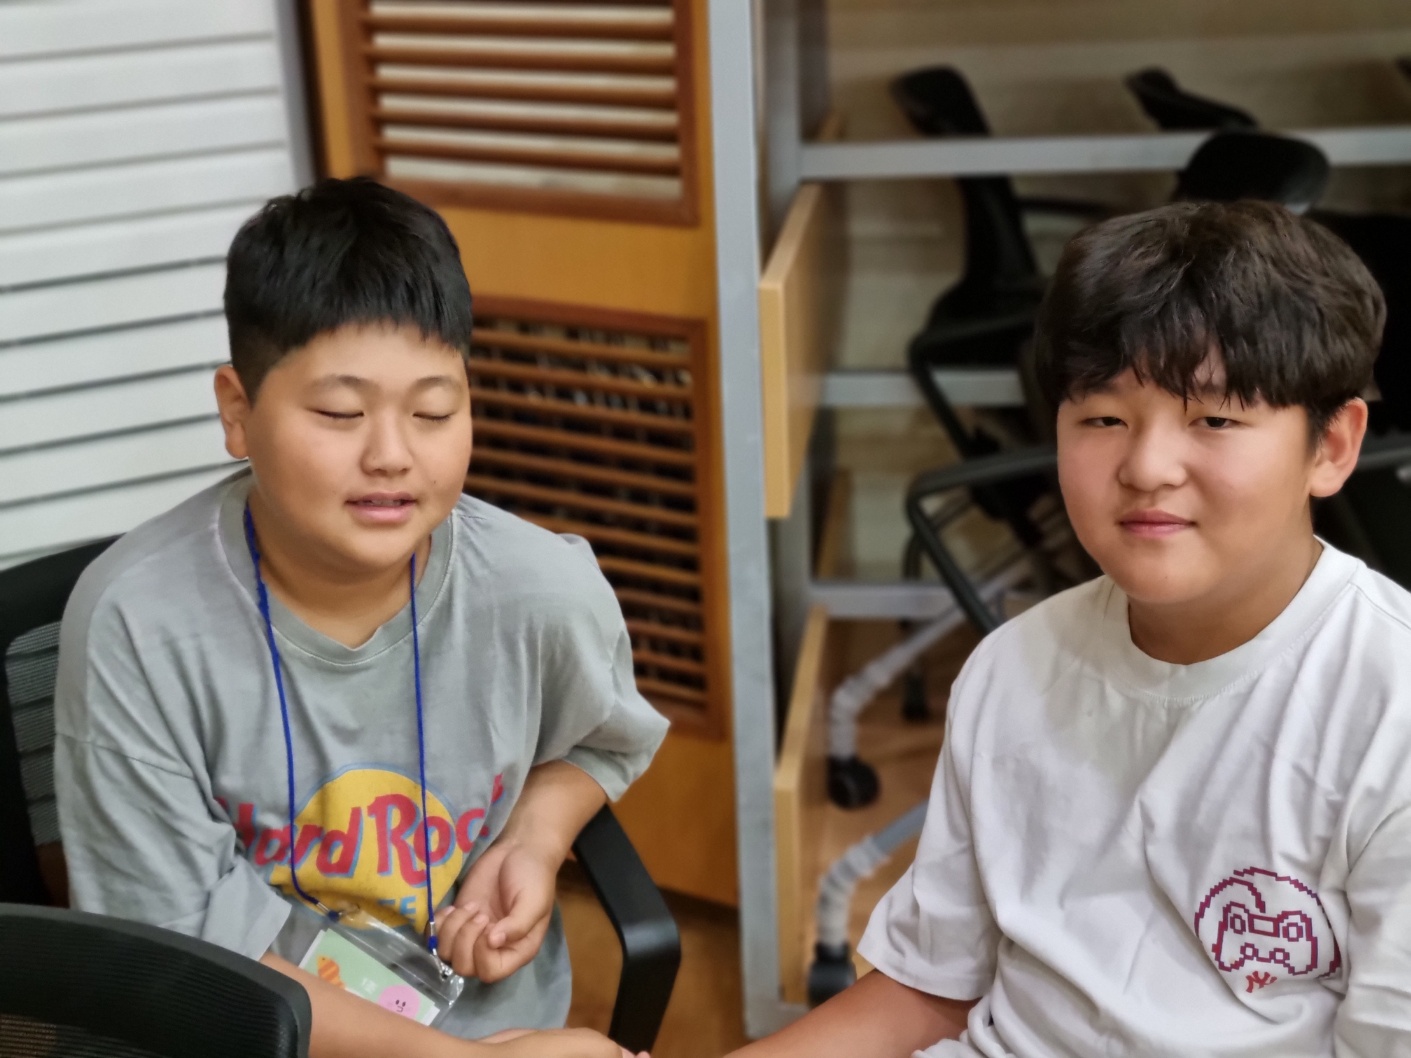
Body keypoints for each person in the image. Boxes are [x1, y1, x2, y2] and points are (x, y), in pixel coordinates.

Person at [731, 200, 1411, 1057]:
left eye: (1213, 419)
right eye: (1102, 418)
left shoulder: (1388, 706)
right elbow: (928, 989)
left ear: (1332, 446)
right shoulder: (1013, 664)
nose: (1146, 467)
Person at [54, 177, 667, 1058]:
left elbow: (604, 739)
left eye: (433, 411)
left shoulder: (540, 589)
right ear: (238, 411)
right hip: (233, 1030)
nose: (391, 455)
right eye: (340, 413)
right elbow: (170, 946)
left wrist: (536, 834)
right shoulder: (138, 624)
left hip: (486, 1019)